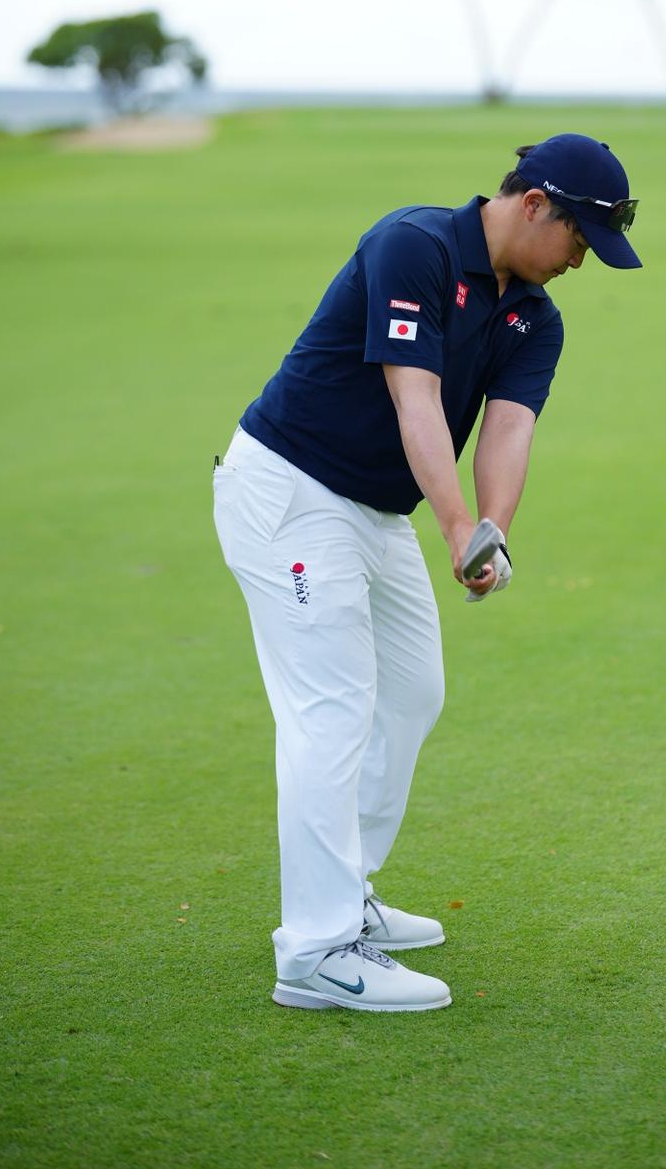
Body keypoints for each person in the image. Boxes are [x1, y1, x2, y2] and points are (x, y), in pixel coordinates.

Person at [212, 133, 641, 1013]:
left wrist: (490, 534)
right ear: (533, 206)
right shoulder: (414, 243)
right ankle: (319, 952)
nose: (579, 262)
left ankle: (349, 897)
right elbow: (416, 400)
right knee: (331, 710)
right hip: (291, 492)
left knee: (412, 693)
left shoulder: (535, 317)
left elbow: (509, 429)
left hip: (372, 511)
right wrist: (453, 528)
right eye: (578, 240)